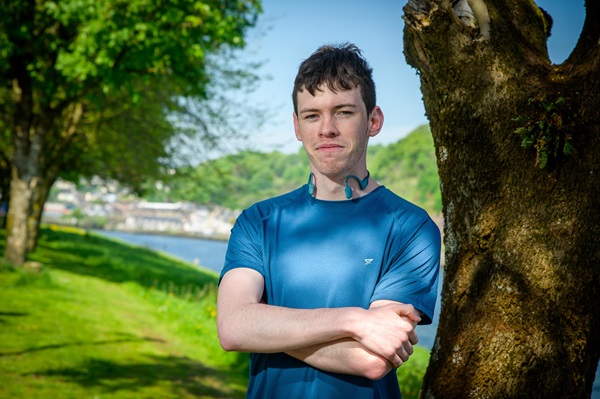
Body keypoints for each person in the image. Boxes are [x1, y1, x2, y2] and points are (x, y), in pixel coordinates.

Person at [217, 43, 441, 398]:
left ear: (373, 121)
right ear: (297, 126)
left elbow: (370, 359)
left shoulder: (410, 228)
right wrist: (355, 320)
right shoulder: (259, 221)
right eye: (311, 115)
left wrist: (261, 324)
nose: (327, 129)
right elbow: (231, 328)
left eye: (343, 112)